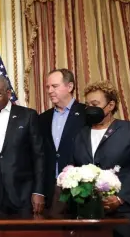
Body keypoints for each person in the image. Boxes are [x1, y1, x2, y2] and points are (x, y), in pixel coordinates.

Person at [72, 81, 130, 237]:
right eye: (88, 104)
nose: (90, 108)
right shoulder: (80, 134)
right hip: (91, 215)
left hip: (126, 215)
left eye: (95, 104)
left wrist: (120, 198)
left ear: (110, 105)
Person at [0, 75, 45, 216]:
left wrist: (38, 191)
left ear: (8, 93)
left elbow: (39, 156)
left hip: (24, 196)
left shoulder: (28, 116)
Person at [39, 69, 87, 214]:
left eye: (54, 86)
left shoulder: (86, 113)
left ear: (70, 87)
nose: (49, 91)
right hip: (50, 189)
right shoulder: (42, 118)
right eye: (48, 87)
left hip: (80, 189)